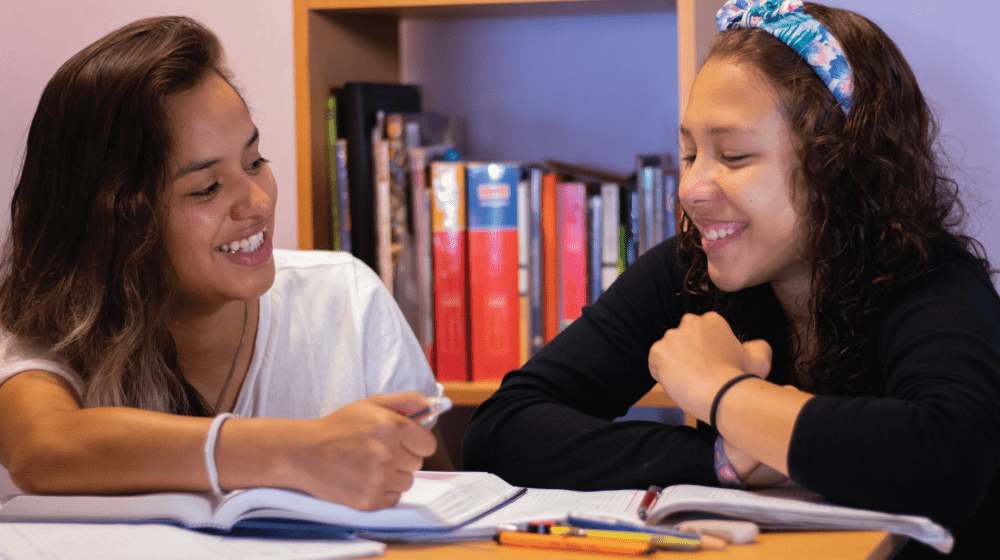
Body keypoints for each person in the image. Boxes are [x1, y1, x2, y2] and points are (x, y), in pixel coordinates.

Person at [463, 1, 1000, 557]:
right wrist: (725, 459)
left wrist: (722, 393)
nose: (691, 187)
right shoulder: (689, 268)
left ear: (840, 165)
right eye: (691, 153)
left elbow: (949, 456)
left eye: (735, 156)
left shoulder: (931, 277)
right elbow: (501, 429)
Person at [0, 15, 451, 511]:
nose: (256, 201)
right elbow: (42, 448)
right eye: (207, 188)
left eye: (255, 161)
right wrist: (301, 452)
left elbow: (441, 503)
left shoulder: (344, 296)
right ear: (114, 220)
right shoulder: (45, 328)